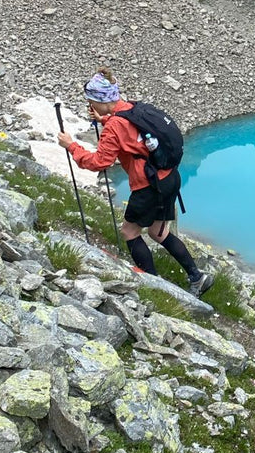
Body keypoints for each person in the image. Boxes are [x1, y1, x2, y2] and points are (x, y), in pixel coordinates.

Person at [57, 68, 214, 296]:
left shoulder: (113, 127)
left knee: (129, 232)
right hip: (169, 178)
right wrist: (104, 120)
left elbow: (99, 162)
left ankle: (155, 286)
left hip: (148, 187)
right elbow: (129, 132)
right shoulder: (131, 108)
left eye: (92, 101)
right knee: (158, 233)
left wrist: (71, 146)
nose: (90, 106)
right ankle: (197, 277)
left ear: (102, 100)